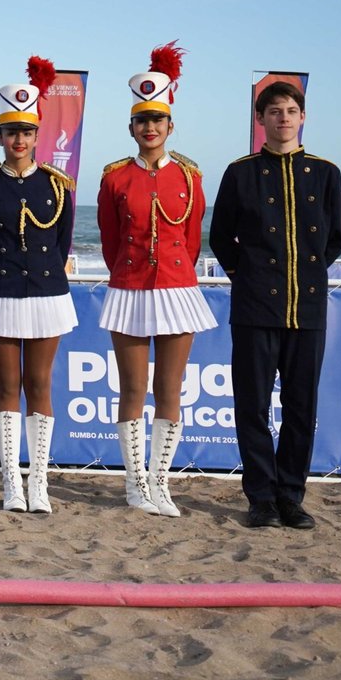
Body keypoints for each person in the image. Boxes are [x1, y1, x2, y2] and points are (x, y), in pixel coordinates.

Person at [209, 80, 341, 530]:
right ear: (260, 119)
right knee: (252, 406)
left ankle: (291, 497)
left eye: (290, 111)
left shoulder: (326, 173)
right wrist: (249, 276)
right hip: (254, 308)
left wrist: (304, 276)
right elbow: (220, 238)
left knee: (301, 407)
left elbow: (334, 240)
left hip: (307, 307)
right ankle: (262, 499)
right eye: (273, 111)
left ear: (302, 117)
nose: (282, 118)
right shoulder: (240, 172)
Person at [96, 44, 217, 518]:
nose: (150, 128)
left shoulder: (190, 176)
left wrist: (173, 273)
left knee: (170, 389)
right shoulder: (114, 179)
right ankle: (134, 484)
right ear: (131, 127)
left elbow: (192, 240)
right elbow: (110, 242)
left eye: (158, 120)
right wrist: (130, 272)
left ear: (170, 125)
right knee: (131, 389)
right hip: (129, 290)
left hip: (177, 289)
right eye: (142, 120)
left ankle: (160, 483)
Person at [0, 57, 77, 514]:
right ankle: (12, 481)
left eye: (26, 132)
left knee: (41, 384)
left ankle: (40, 482)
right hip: (1, 294)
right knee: (7, 385)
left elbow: (62, 244)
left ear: (36, 136)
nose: (19, 140)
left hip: (47, 295)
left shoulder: (58, 186)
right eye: (11, 132)